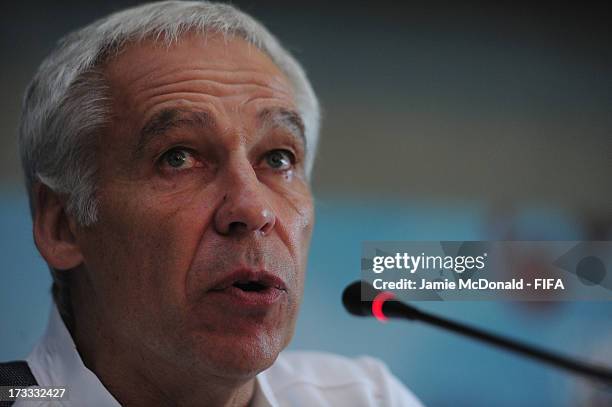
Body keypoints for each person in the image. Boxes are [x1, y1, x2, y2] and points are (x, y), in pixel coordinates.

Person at [3, 1, 423, 406]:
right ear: (62, 223)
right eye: (178, 157)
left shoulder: (367, 398)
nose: (254, 210)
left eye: (278, 159)